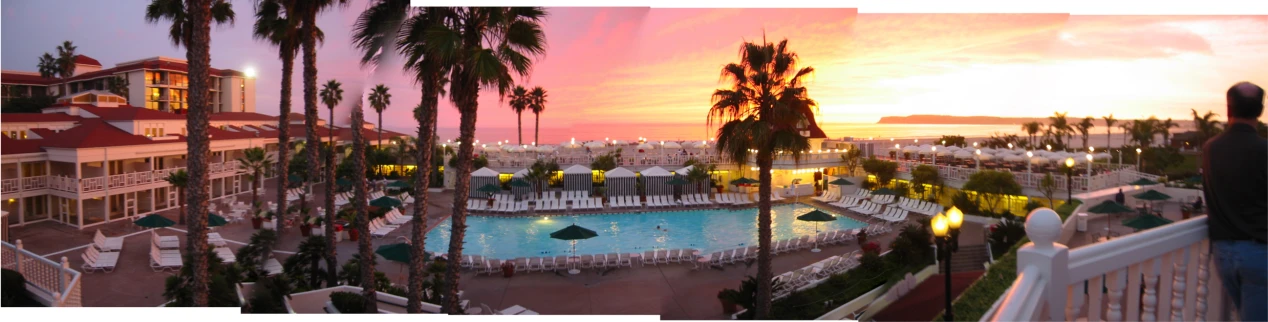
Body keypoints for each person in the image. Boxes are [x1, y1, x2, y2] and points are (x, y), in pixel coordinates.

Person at [1201, 81, 1267, 322]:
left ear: (1229, 109)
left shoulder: (1211, 148)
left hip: (1223, 253)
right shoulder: (1264, 150)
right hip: (1259, 252)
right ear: (1260, 110)